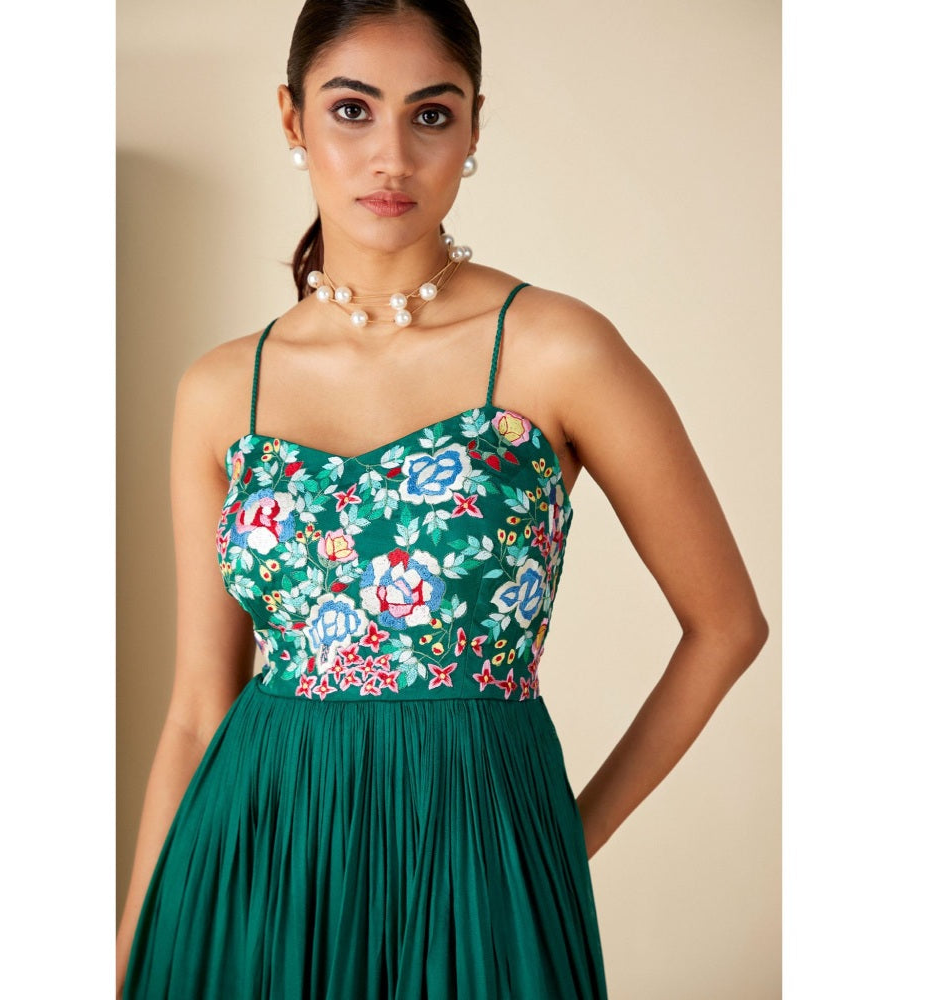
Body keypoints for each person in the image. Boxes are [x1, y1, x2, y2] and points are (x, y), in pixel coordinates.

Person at [116, 0, 769, 996]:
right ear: (292, 119)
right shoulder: (220, 388)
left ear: (471, 129)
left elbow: (726, 626)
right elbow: (199, 710)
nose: (392, 156)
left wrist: (558, 845)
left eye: (430, 114)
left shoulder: (557, 349)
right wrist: (134, 944)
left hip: (473, 864)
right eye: (351, 110)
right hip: (250, 868)